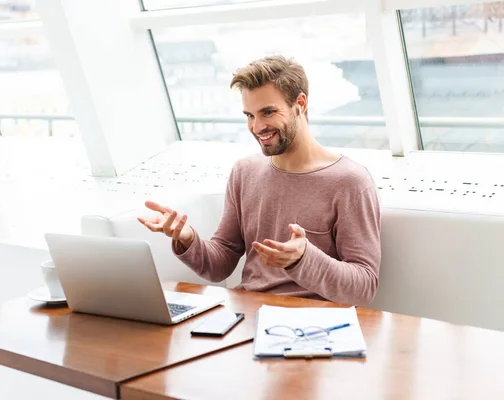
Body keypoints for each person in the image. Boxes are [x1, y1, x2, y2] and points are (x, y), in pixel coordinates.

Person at [138, 55, 381, 306]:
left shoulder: (350, 182)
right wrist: (188, 238)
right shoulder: (245, 171)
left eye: (268, 112)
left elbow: (363, 288)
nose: (257, 127)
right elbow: (220, 266)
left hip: (311, 323)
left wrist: (304, 258)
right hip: (246, 314)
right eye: (250, 116)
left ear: (300, 103)